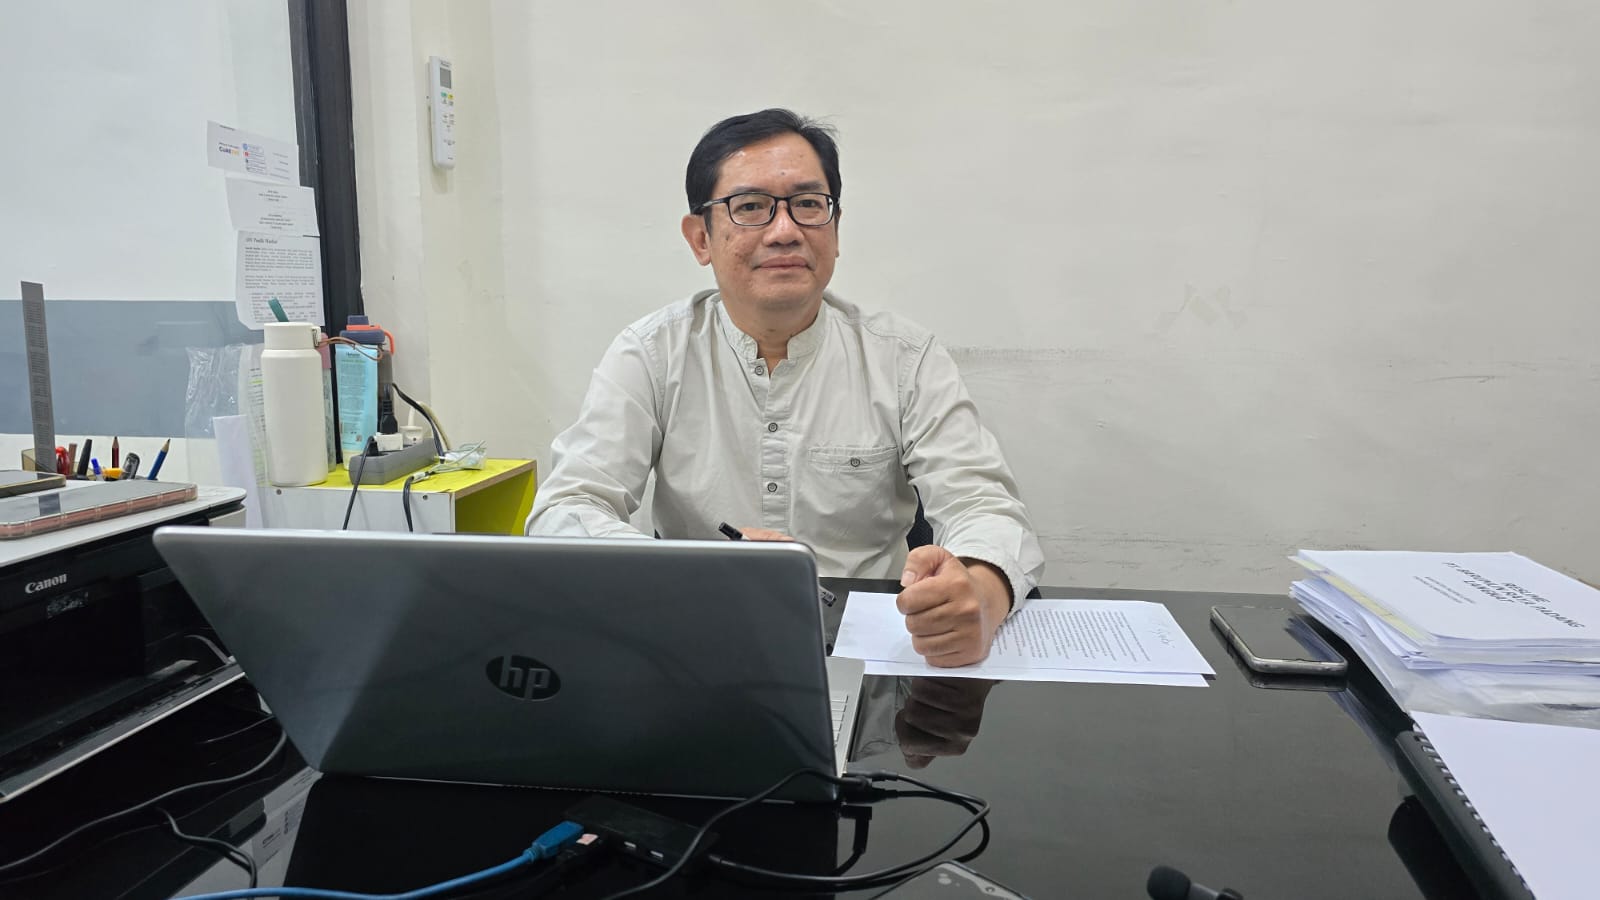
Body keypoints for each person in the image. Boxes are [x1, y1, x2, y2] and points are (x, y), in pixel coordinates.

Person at [527, 108, 1044, 667]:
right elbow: (567, 507)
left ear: (835, 230)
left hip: (874, 651)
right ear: (701, 238)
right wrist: (694, 575)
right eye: (750, 207)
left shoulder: (904, 358)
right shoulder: (652, 353)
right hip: (697, 636)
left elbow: (982, 502)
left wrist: (981, 593)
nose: (784, 231)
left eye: (808, 204)